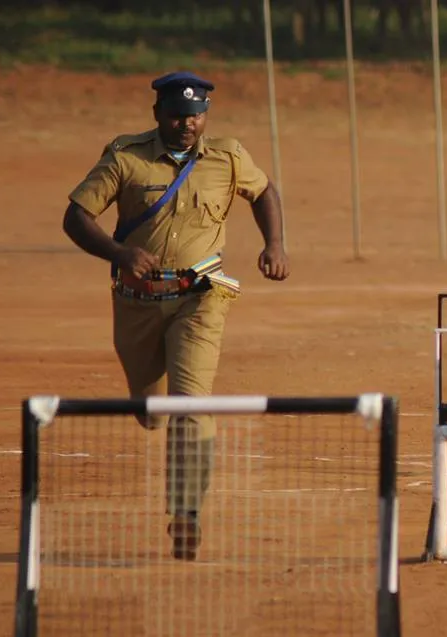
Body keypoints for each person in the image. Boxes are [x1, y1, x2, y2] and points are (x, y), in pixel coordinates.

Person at [62, 71, 289, 560]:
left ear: (205, 114)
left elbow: (265, 190)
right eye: (177, 115)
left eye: (196, 115)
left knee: (191, 403)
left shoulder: (228, 156)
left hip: (202, 296)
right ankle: (146, 401)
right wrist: (119, 254)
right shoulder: (125, 157)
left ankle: (185, 512)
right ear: (157, 115)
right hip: (136, 302)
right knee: (150, 409)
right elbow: (76, 217)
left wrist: (274, 245)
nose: (188, 124)